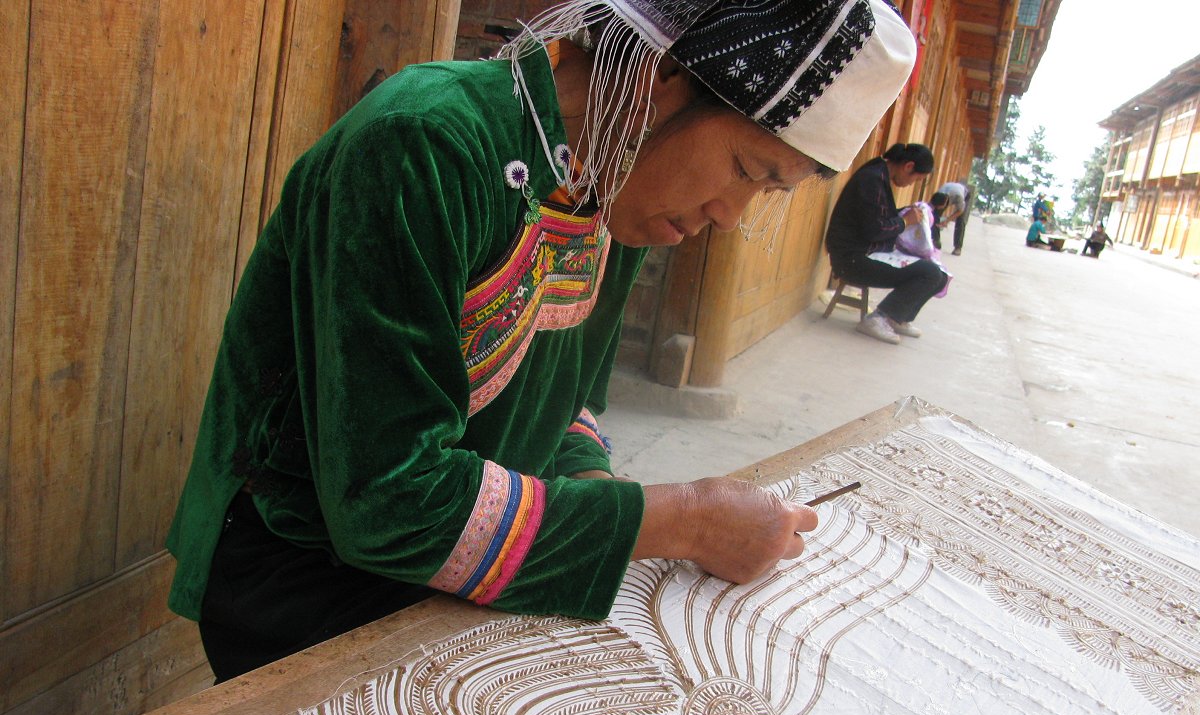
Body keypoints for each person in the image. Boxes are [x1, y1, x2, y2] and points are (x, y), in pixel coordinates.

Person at [165, 0, 918, 680]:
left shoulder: (614, 184)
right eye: (747, 168)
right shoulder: (425, 145)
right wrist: (679, 518)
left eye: (768, 191)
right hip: (303, 571)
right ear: (662, 76)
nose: (730, 214)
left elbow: (569, 403)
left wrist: (593, 499)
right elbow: (386, 501)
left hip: (450, 566)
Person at [824, 142, 950, 344]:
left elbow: (878, 218)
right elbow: (875, 230)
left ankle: (897, 316)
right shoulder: (871, 179)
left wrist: (907, 216)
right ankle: (878, 318)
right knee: (929, 273)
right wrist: (904, 221)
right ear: (908, 166)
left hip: (865, 253)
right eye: (916, 178)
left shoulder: (879, 175)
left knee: (940, 275)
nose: (912, 184)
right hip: (852, 259)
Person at [933, 180, 971, 255]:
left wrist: (947, 220)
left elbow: (960, 211)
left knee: (960, 220)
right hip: (949, 190)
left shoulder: (959, 197)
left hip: (964, 193)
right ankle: (935, 240)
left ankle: (958, 247)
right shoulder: (939, 194)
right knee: (935, 215)